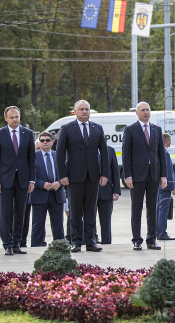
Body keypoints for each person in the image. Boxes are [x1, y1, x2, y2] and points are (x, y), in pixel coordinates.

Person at [57, 100, 109, 252]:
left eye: (87, 109)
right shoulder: (67, 129)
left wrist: (104, 174)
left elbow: (104, 153)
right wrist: (62, 175)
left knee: (91, 210)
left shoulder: (97, 128)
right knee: (75, 210)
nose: (85, 112)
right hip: (74, 177)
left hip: (93, 176)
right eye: (81, 109)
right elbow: (60, 154)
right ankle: (76, 241)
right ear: (75, 111)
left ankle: (91, 241)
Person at [0, 106, 36, 256]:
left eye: (17, 117)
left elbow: (31, 159)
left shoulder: (28, 134)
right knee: (6, 212)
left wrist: (32, 179)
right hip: (5, 179)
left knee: (21, 212)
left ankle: (17, 242)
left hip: (23, 179)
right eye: (12, 117)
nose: (15, 120)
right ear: (6, 119)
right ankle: (7, 244)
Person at [122, 101, 166, 251]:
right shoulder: (130, 130)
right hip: (137, 176)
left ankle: (151, 239)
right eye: (142, 110)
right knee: (137, 208)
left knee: (152, 208)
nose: (146, 112)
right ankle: (137, 240)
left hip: (153, 175)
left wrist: (163, 176)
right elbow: (126, 155)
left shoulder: (156, 129)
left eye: (148, 109)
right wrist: (128, 175)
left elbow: (161, 154)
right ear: (137, 113)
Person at [29, 132, 65, 247]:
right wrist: (41, 184)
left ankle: (60, 250)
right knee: (38, 225)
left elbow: (66, 173)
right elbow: (29, 175)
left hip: (57, 194)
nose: (45, 142)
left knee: (58, 226)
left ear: (52, 142)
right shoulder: (33, 156)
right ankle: (36, 248)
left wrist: (59, 183)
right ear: (39, 142)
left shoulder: (59, 155)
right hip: (39, 194)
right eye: (42, 140)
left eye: (47, 140)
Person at [97, 145, 120, 245]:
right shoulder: (86, 148)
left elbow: (115, 171)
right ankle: (90, 241)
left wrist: (116, 190)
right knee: (88, 220)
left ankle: (106, 242)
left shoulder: (110, 150)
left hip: (106, 191)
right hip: (90, 192)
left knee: (106, 220)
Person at [156, 133, 175, 241]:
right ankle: (161, 232)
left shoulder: (158, 152)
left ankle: (156, 231)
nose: (171, 142)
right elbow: (168, 171)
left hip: (158, 186)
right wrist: (172, 186)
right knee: (163, 210)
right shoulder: (165, 153)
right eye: (170, 140)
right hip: (165, 187)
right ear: (166, 140)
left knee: (158, 209)